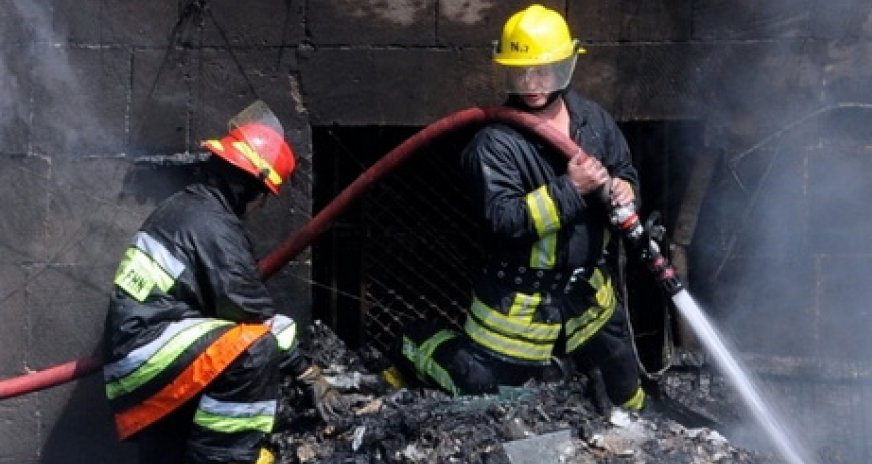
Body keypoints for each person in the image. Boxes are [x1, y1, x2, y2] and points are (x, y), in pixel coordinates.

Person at [391, 4, 646, 412]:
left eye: (543, 71)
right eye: (520, 71)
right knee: (485, 391)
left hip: (587, 297)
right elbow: (504, 219)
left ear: (565, 66)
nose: (531, 82)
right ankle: (417, 343)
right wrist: (572, 188)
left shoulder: (593, 120)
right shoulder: (494, 144)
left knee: (625, 389)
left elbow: (624, 167)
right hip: (518, 305)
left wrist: (625, 189)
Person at [102, 100, 345, 464]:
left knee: (232, 347)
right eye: (263, 195)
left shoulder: (189, 209)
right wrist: (306, 372)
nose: (261, 205)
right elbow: (254, 317)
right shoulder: (214, 227)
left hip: (141, 357)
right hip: (147, 356)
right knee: (255, 348)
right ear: (249, 186)